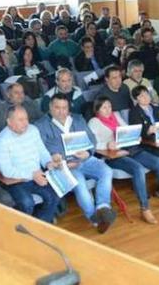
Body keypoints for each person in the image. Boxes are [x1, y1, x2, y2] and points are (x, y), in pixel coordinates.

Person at [88, 96, 159, 224]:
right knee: (137, 168)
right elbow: (92, 144)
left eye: (109, 106)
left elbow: (129, 130)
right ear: (97, 109)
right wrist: (107, 145)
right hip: (113, 156)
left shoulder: (115, 116)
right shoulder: (94, 122)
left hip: (130, 149)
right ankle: (145, 208)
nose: (108, 110)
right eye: (104, 107)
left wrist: (135, 137)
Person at [34, 95, 117, 233]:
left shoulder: (78, 119)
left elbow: (91, 139)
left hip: (85, 159)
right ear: (50, 107)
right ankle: (94, 219)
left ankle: (102, 207)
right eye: (57, 107)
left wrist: (88, 152)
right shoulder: (40, 125)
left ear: (69, 107)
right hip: (64, 166)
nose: (61, 111)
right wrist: (54, 158)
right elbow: (40, 149)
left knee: (107, 171)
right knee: (79, 183)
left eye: (64, 107)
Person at [0, 106, 61, 222]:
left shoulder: (33, 130)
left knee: (55, 194)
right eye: (20, 120)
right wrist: (32, 175)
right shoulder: (1, 141)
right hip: (16, 181)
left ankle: (40, 226)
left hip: (37, 176)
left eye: (26, 119)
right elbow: (7, 171)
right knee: (27, 202)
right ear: (9, 122)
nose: (25, 123)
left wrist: (48, 162)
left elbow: (42, 151)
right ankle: (25, 228)